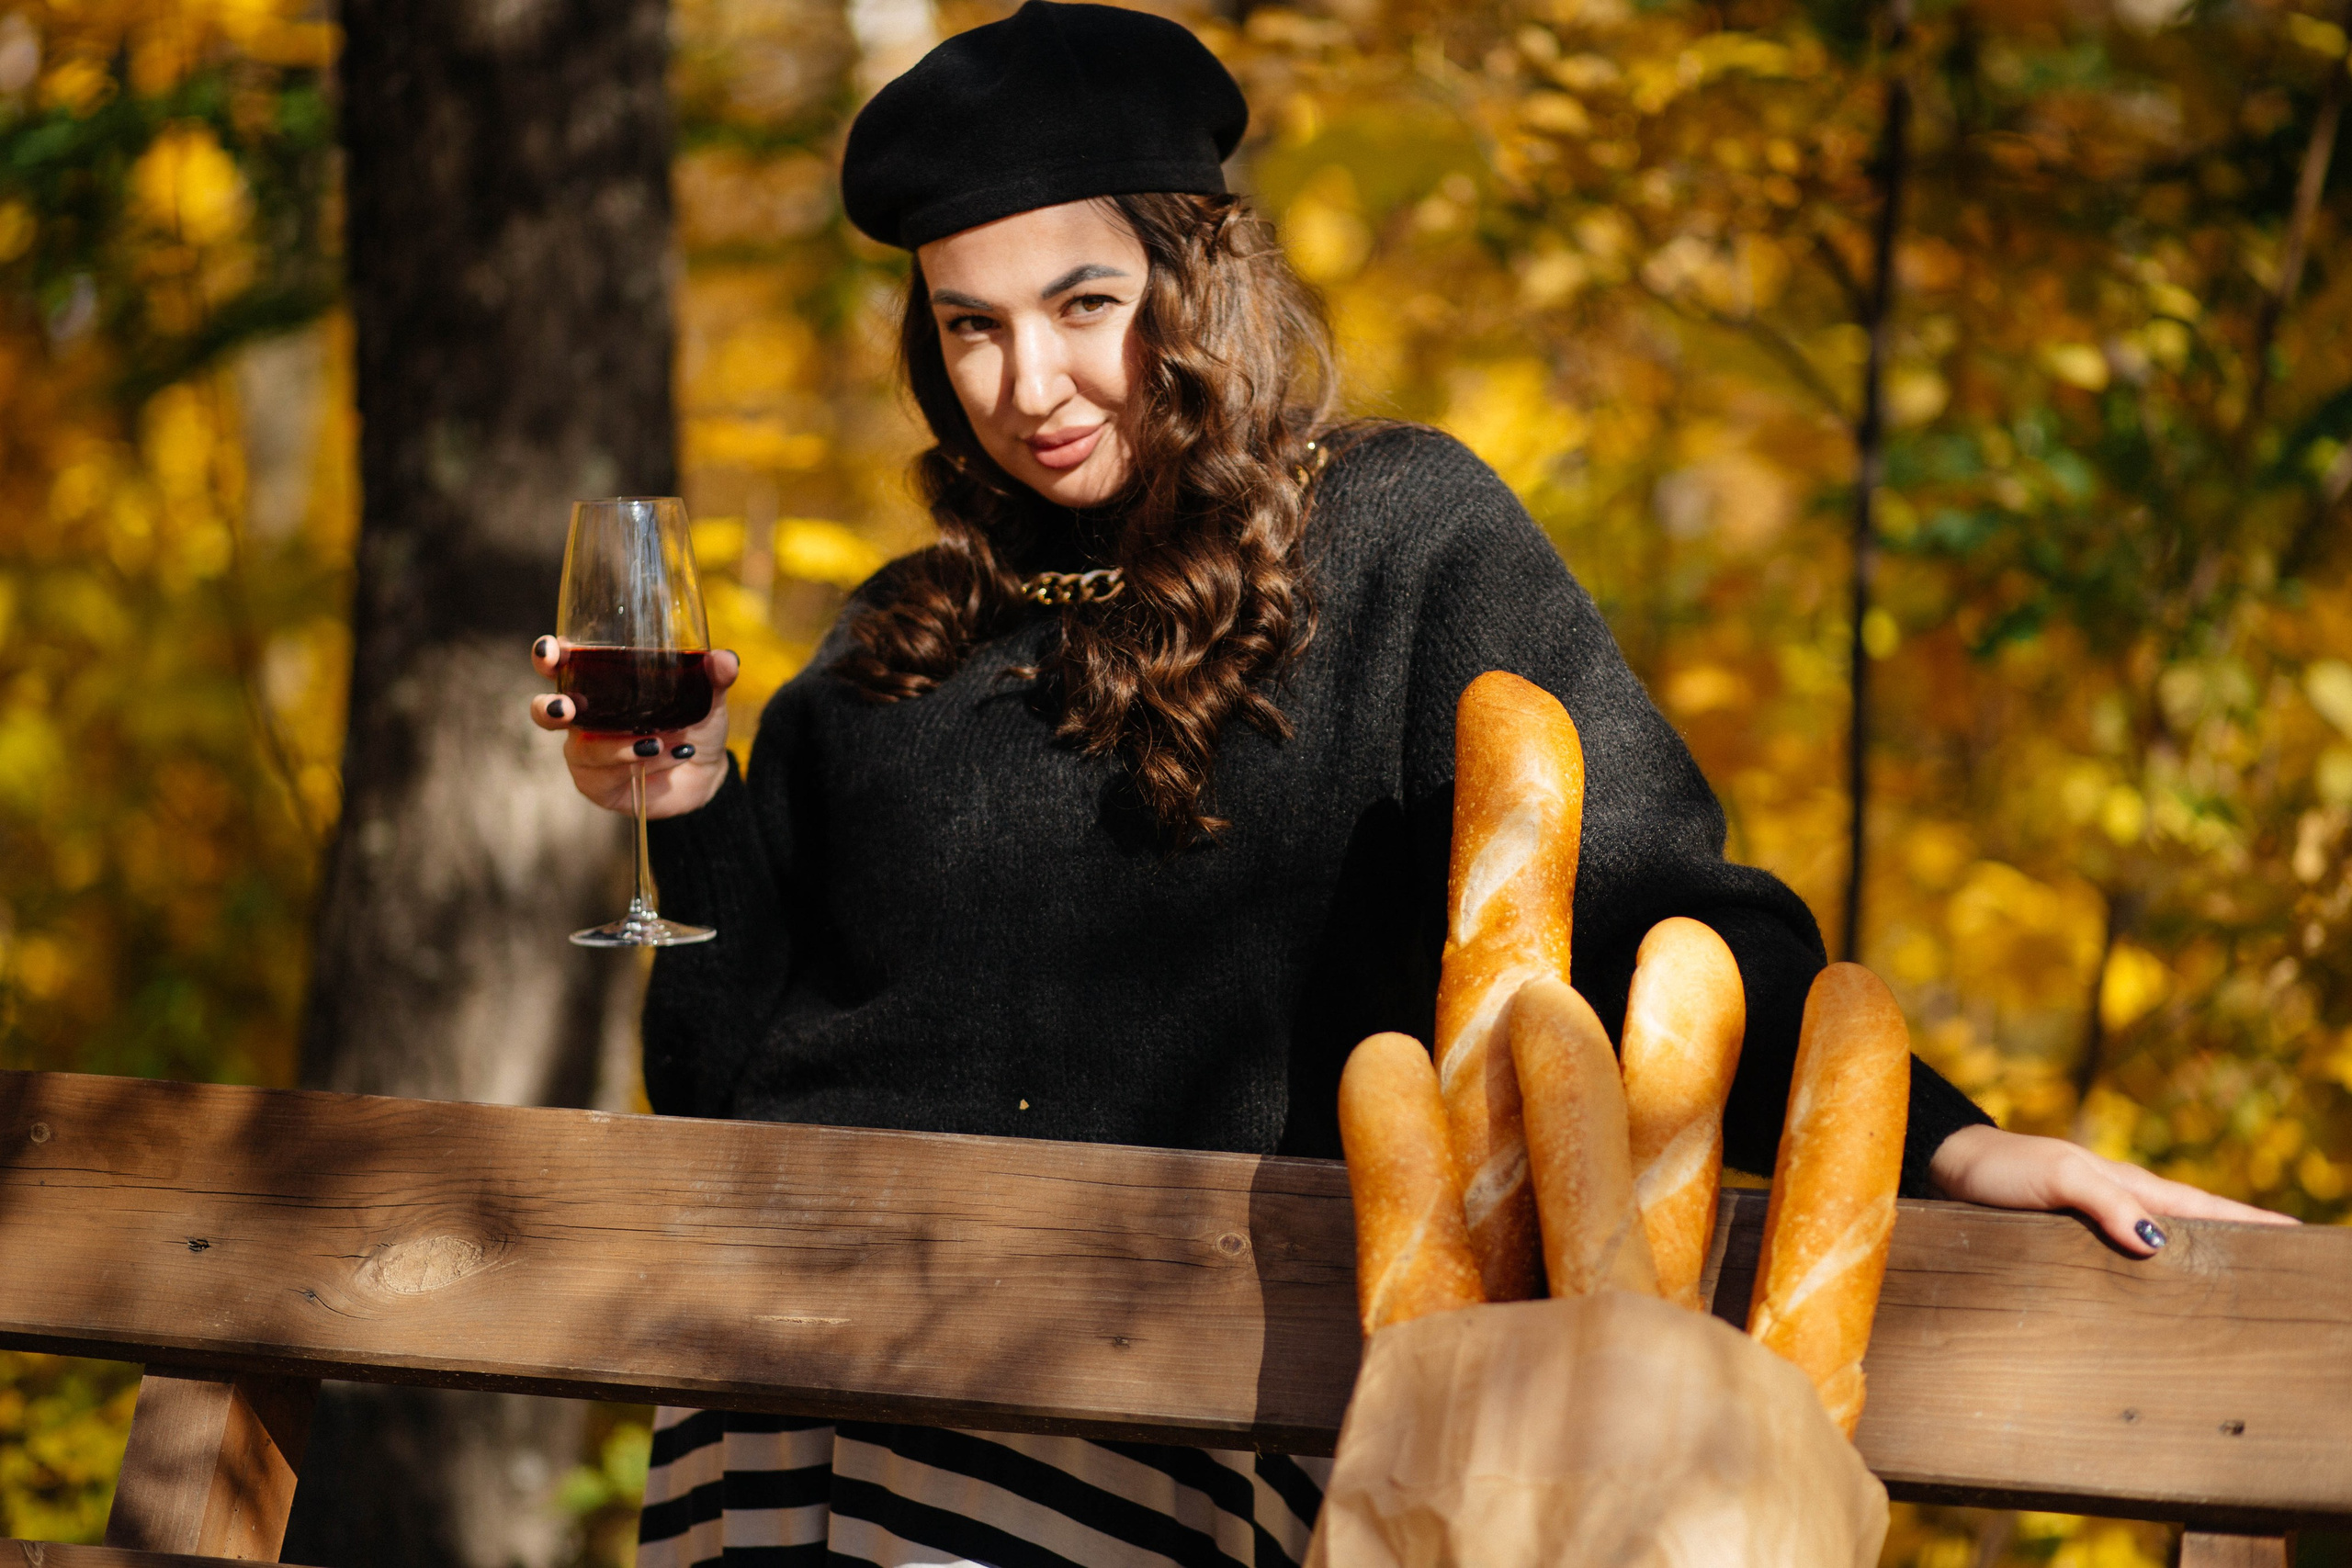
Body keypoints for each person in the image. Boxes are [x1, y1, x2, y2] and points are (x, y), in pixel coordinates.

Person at [528, 6, 2290, 1564]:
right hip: (771, 1409)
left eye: (1085, 307)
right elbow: (722, 1077)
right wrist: (683, 811)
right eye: (969, 328)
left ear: (1195, 278)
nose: (1031, 387)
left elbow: (1651, 901)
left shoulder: (1393, 538)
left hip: (1146, 1417)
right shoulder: (895, 641)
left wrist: (1959, 1145)